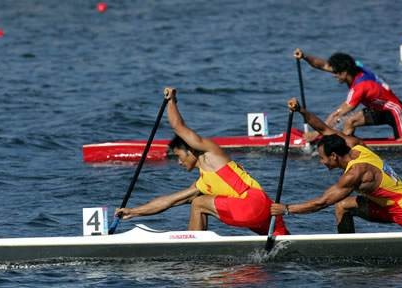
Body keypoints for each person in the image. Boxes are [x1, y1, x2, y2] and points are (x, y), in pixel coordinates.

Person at [116, 87, 289, 236]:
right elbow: (169, 201)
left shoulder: (211, 154)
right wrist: (133, 212)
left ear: (190, 150)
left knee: (198, 204)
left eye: (179, 156)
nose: (179, 162)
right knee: (284, 242)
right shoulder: (202, 184)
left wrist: (172, 100)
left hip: (251, 204)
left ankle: (194, 251)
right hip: (267, 208)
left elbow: (178, 127)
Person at [270, 98, 402, 233]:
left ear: (334, 156)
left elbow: (322, 202)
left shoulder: (355, 173)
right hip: (381, 205)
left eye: (322, 158)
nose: (321, 162)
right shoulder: (353, 144)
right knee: (343, 206)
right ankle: (347, 248)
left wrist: (286, 209)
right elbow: (323, 128)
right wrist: (300, 110)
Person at [294, 48, 402, 141]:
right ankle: (346, 149)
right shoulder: (354, 67)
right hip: (377, 109)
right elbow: (323, 65)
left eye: (336, 73)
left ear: (344, 73)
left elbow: (336, 115)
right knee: (349, 122)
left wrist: (317, 132)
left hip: (395, 111)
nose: (334, 75)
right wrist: (304, 56)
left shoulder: (359, 88)